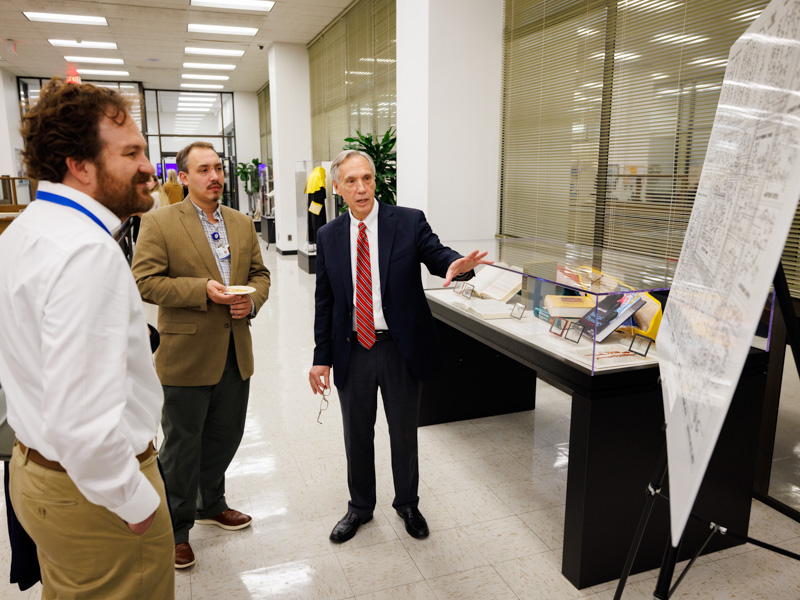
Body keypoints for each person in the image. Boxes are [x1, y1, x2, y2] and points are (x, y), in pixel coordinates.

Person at [0, 77, 174, 598]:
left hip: (37, 471)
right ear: (80, 165)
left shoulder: (26, 231)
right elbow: (83, 423)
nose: (149, 165)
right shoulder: (85, 252)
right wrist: (134, 501)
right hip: (95, 494)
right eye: (132, 152)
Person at [308, 149, 489, 543]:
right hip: (352, 349)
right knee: (357, 434)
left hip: (400, 348)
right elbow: (326, 301)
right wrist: (321, 358)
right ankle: (360, 508)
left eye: (367, 179)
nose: (361, 188)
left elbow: (437, 254)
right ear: (337, 188)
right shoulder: (328, 236)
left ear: (376, 181)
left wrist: (458, 265)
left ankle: (407, 502)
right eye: (351, 181)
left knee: (403, 432)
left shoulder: (407, 222)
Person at [132, 141, 271, 569]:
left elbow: (259, 276)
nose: (215, 176)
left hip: (235, 351)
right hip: (186, 354)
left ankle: (212, 503)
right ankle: (176, 529)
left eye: (218, 168)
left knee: (225, 436)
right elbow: (146, 281)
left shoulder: (241, 223)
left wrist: (253, 301)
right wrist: (200, 290)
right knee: (181, 446)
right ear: (185, 177)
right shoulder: (159, 223)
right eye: (204, 169)